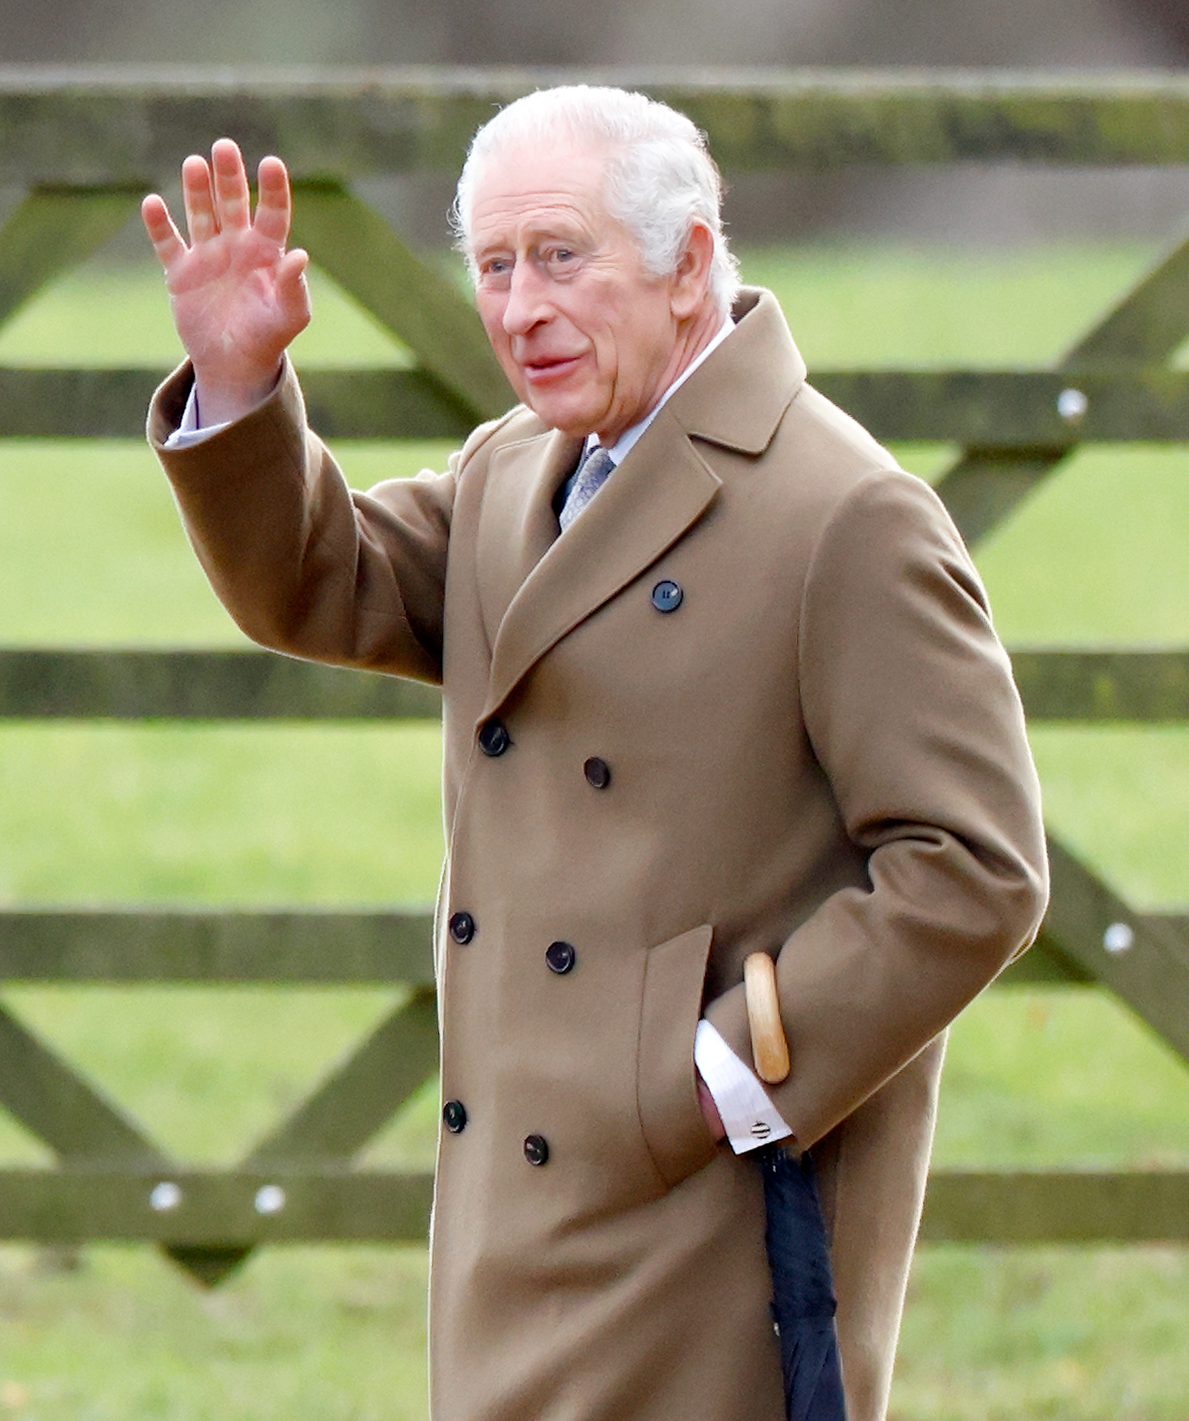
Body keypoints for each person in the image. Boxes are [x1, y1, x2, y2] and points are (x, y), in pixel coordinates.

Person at [142, 85, 1048, 1421]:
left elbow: (975, 866)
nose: (518, 308)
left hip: (712, 1204)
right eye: (494, 266)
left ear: (688, 262)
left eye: (560, 256)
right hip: (516, 1211)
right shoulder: (518, 470)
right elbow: (322, 582)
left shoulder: (843, 512)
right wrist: (239, 384)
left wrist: (721, 1075)